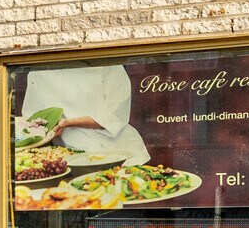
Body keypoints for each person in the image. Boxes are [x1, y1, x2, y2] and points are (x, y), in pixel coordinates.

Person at [18, 66, 150, 163]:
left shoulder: (109, 64)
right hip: (72, 158)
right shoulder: (38, 73)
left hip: (122, 154)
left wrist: (68, 123)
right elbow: (32, 123)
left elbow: (114, 115)